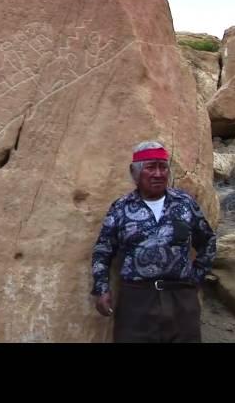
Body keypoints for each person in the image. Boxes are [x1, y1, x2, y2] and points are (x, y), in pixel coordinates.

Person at [91, 141, 216, 342]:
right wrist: (102, 289)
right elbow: (103, 251)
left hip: (181, 298)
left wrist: (196, 277)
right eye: (151, 167)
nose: (158, 174)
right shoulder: (121, 208)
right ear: (135, 173)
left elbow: (207, 240)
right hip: (137, 301)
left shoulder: (184, 203)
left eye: (163, 167)